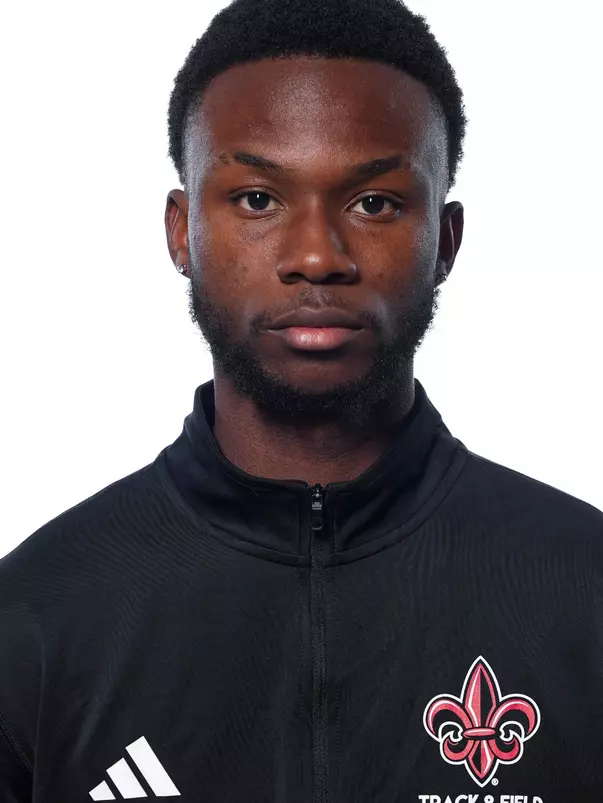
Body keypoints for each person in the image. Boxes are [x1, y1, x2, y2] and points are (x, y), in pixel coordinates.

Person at [1, 0, 602, 800]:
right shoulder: (38, 617)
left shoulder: (582, 586)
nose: (316, 256)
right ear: (182, 232)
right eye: (257, 199)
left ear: (444, 241)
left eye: (374, 203)